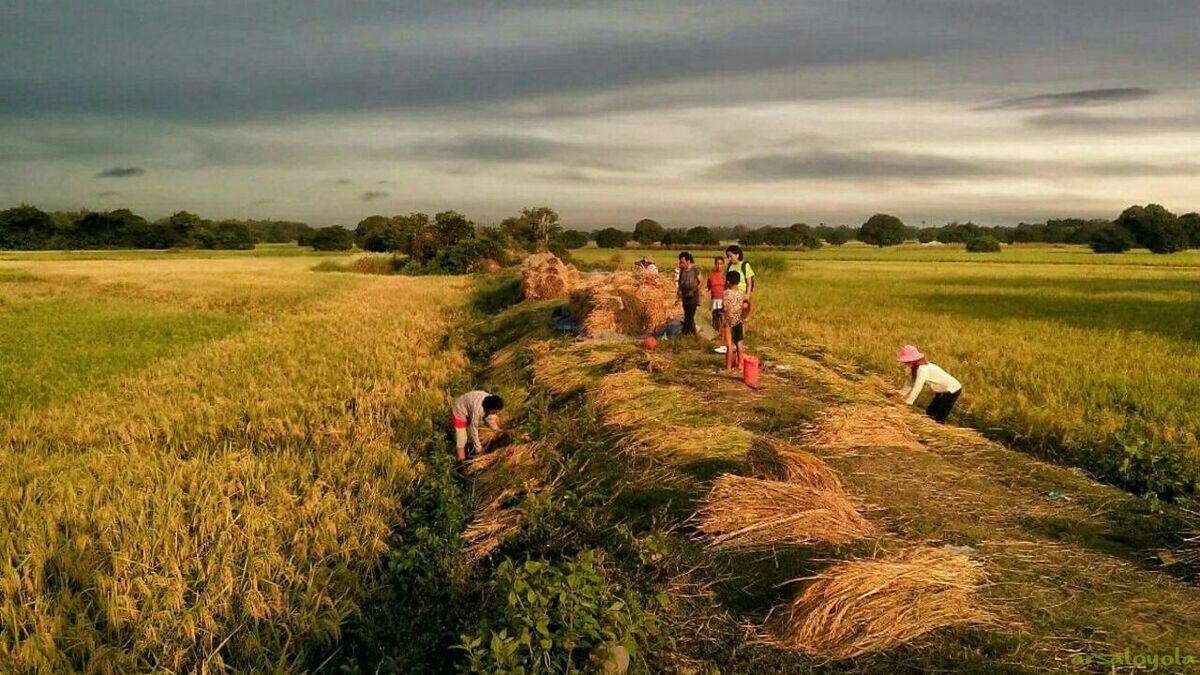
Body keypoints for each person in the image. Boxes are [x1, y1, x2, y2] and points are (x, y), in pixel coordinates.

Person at [896, 345, 962, 422]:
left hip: (952, 390)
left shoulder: (922, 369)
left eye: (907, 361)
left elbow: (917, 387)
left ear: (914, 360)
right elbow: (909, 384)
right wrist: (899, 394)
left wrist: (908, 403)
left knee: (939, 416)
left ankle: (938, 430)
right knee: (930, 412)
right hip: (941, 390)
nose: (905, 363)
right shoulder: (914, 369)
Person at [451, 390, 504, 462]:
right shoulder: (477, 409)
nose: (495, 413)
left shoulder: (491, 401)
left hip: (468, 407)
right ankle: (461, 464)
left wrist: (498, 431)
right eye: (494, 412)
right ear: (489, 408)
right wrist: (479, 449)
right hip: (459, 410)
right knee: (461, 440)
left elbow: (490, 419)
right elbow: (473, 430)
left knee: (465, 439)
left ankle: (466, 456)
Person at [722, 271, 751, 371]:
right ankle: (740, 365)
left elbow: (725, 308)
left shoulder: (726, 293)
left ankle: (728, 367)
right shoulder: (742, 293)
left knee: (729, 346)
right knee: (739, 343)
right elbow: (747, 305)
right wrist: (744, 317)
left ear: (728, 281)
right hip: (739, 321)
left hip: (728, 322)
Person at [676, 251, 701, 336]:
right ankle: (688, 333)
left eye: (682, 262)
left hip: (693, 297)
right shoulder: (682, 271)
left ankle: (692, 334)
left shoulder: (695, 270)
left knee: (689, 316)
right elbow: (680, 283)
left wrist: (694, 290)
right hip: (684, 296)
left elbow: (700, 282)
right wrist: (679, 291)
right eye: (680, 262)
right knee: (687, 315)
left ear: (688, 261)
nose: (681, 264)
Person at [706, 256, 726, 334]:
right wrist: (703, 292)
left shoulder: (725, 275)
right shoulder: (711, 275)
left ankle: (723, 334)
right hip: (714, 299)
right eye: (717, 263)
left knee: (723, 318)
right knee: (714, 318)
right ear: (715, 264)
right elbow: (708, 287)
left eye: (720, 264)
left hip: (723, 299)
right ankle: (715, 333)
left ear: (723, 264)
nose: (719, 266)